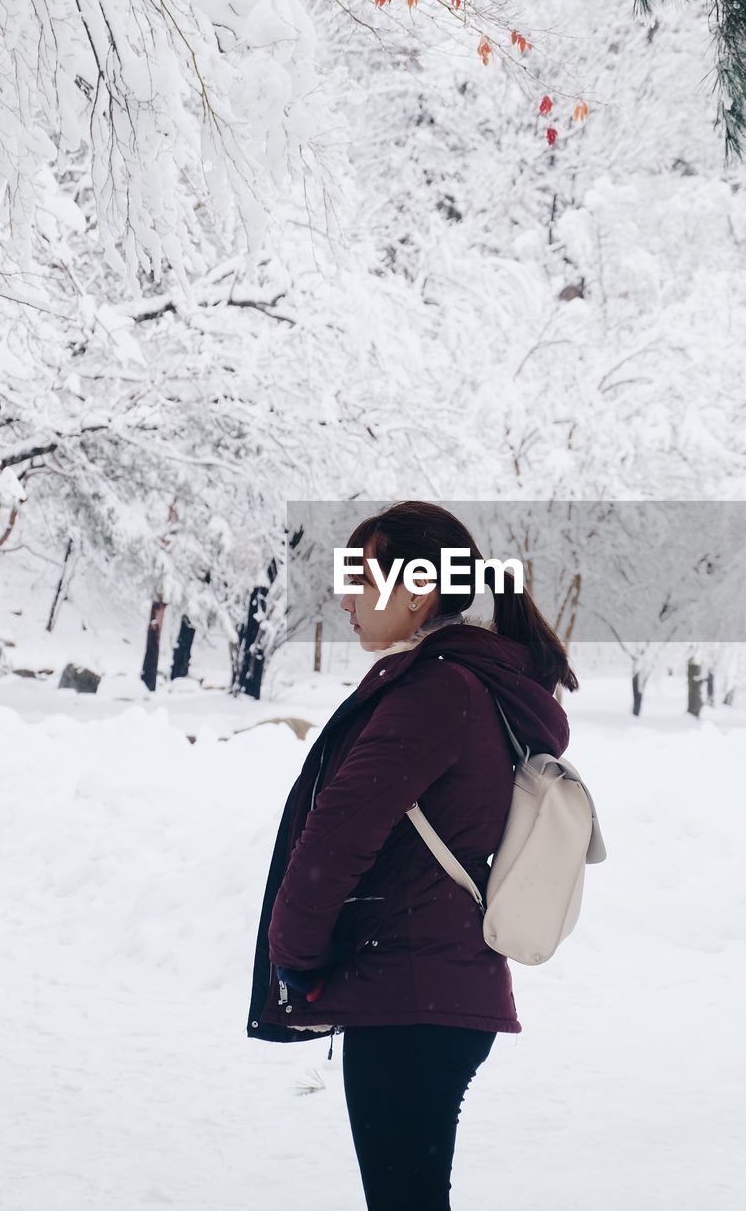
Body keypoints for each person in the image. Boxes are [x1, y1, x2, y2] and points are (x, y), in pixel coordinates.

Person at [247, 500, 577, 1210]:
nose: (345, 600)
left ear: (418, 589)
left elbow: (334, 840)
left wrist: (294, 959)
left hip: (409, 998)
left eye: (360, 580)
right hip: (435, 992)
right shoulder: (473, 683)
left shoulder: (434, 691)